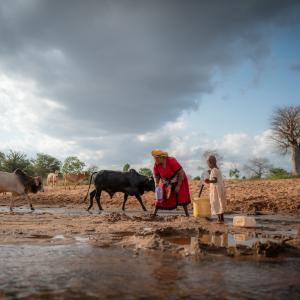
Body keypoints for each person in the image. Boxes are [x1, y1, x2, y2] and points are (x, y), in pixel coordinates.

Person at [151, 149, 191, 216]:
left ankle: (187, 214)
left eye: (157, 158)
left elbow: (180, 172)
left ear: (162, 157)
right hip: (166, 180)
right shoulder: (156, 164)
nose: (155, 160)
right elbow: (156, 175)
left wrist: (178, 185)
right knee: (160, 194)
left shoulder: (171, 160)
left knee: (181, 195)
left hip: (179, 178)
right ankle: (154, 214)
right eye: (154, 158)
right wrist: (156, 184)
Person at [204, 155, 226, 223]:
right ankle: (221, 218)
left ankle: (219, 219)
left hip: (216, 190)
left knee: (216, 203)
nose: (208, 165)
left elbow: (215, 180)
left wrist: (208, 181)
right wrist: (210, 173)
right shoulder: (216, 169)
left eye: (208, 164)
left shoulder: (213, 170)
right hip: (220, 189)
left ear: (211, 163)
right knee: (220, 203)